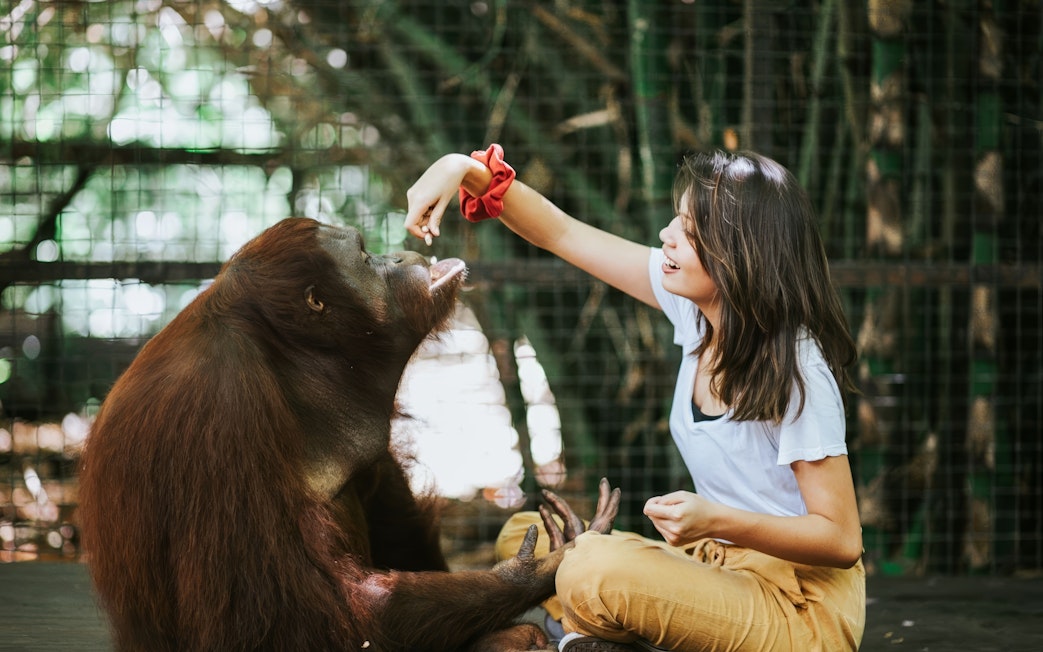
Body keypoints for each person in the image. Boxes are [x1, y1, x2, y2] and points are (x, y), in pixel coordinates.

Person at [404, 145, 865, 652]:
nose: (667, 234)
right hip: (715, 569)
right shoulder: (699, 316)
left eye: (689, 230)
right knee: (527, 536)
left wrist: (715, 520)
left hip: (799, 608)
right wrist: (464, 170)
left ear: (740, 254)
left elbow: (841, 541)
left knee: (591, 570)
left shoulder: (797, 367)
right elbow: (562, 232)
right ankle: (601, 638)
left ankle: (589, 633)